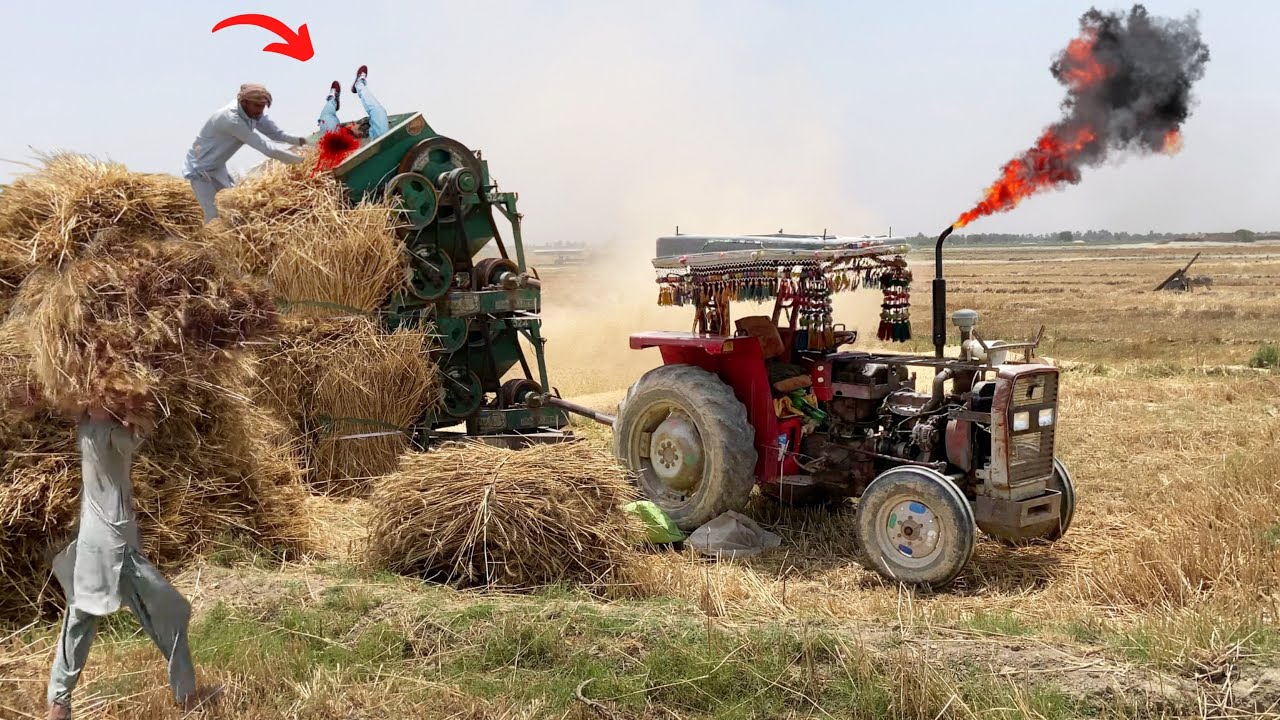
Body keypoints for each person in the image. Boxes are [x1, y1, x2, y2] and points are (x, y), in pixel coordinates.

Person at [45, 409, 223, 720]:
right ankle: (187, 695)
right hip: (118, 550)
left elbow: (86, 413)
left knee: (79, 620)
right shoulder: (114, 436)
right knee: (171, 611)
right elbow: (139, 433)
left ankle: (59, 703)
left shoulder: (86, 428)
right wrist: (139, 413)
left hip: (90, 544)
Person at [182, 83, 307, 223]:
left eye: (263, 106)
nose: (260, 110)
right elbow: (265, 147)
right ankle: (205, 237)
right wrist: (303, 161)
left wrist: (303, 141)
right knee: (213, 215)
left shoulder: (254, 113)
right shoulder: (231, 119)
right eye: (257, 105)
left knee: (232, 209)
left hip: (218, 167)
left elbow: (276, 134)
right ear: (244, 102)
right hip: (200, 168)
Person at [317, 65, 389, 140]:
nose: (362, 131)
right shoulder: (347, 130)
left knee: (326, 117)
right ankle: (359, 84)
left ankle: (332, 100)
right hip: (345, 142)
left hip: (370, 143)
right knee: (379, 111)